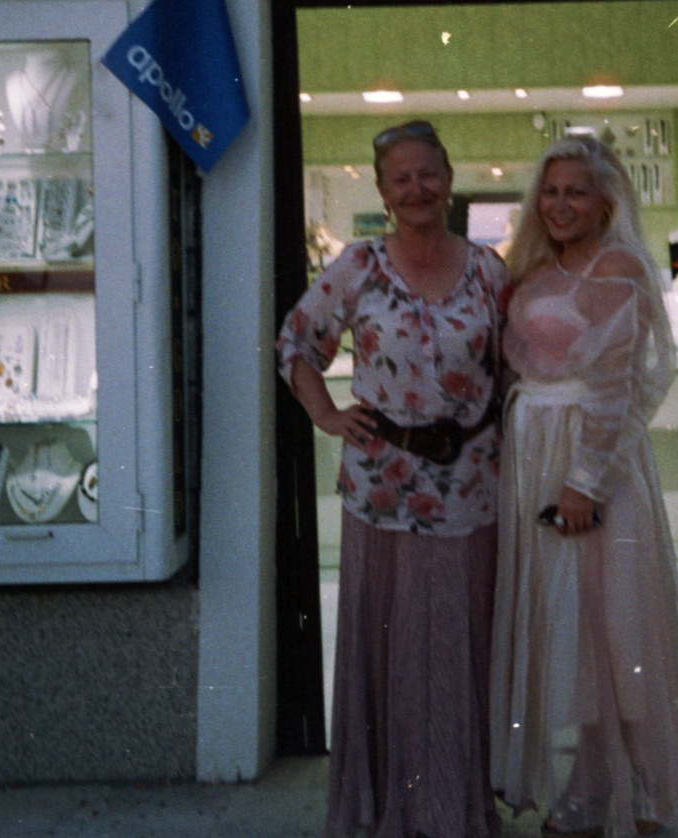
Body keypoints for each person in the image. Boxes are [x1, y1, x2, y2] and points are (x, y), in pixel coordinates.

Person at [277, 119, 509, 838]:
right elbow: (296, 343)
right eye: (400, 178)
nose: (417, 189)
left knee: (458, 650)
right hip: (382, 488)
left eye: (428, 173)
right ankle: (389, 807)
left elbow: (517, 368)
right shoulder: (359, 266)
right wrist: (325, 415)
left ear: (449, 178)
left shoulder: (489, 271)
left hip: (469, 488)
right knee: (389, 649)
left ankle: (452, 807)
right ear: (382, 192)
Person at [490, 135, 678, 838]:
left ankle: (614, 787)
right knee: (577, 628)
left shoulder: (617, 267)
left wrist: (584, 484)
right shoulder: (537, 267)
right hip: (537, 461)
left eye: (576, 193)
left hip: (591, 470)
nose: (560, 205)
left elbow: (618, 389)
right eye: (551, 192)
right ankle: (642, 772)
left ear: (605, 201)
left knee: (608, 626)